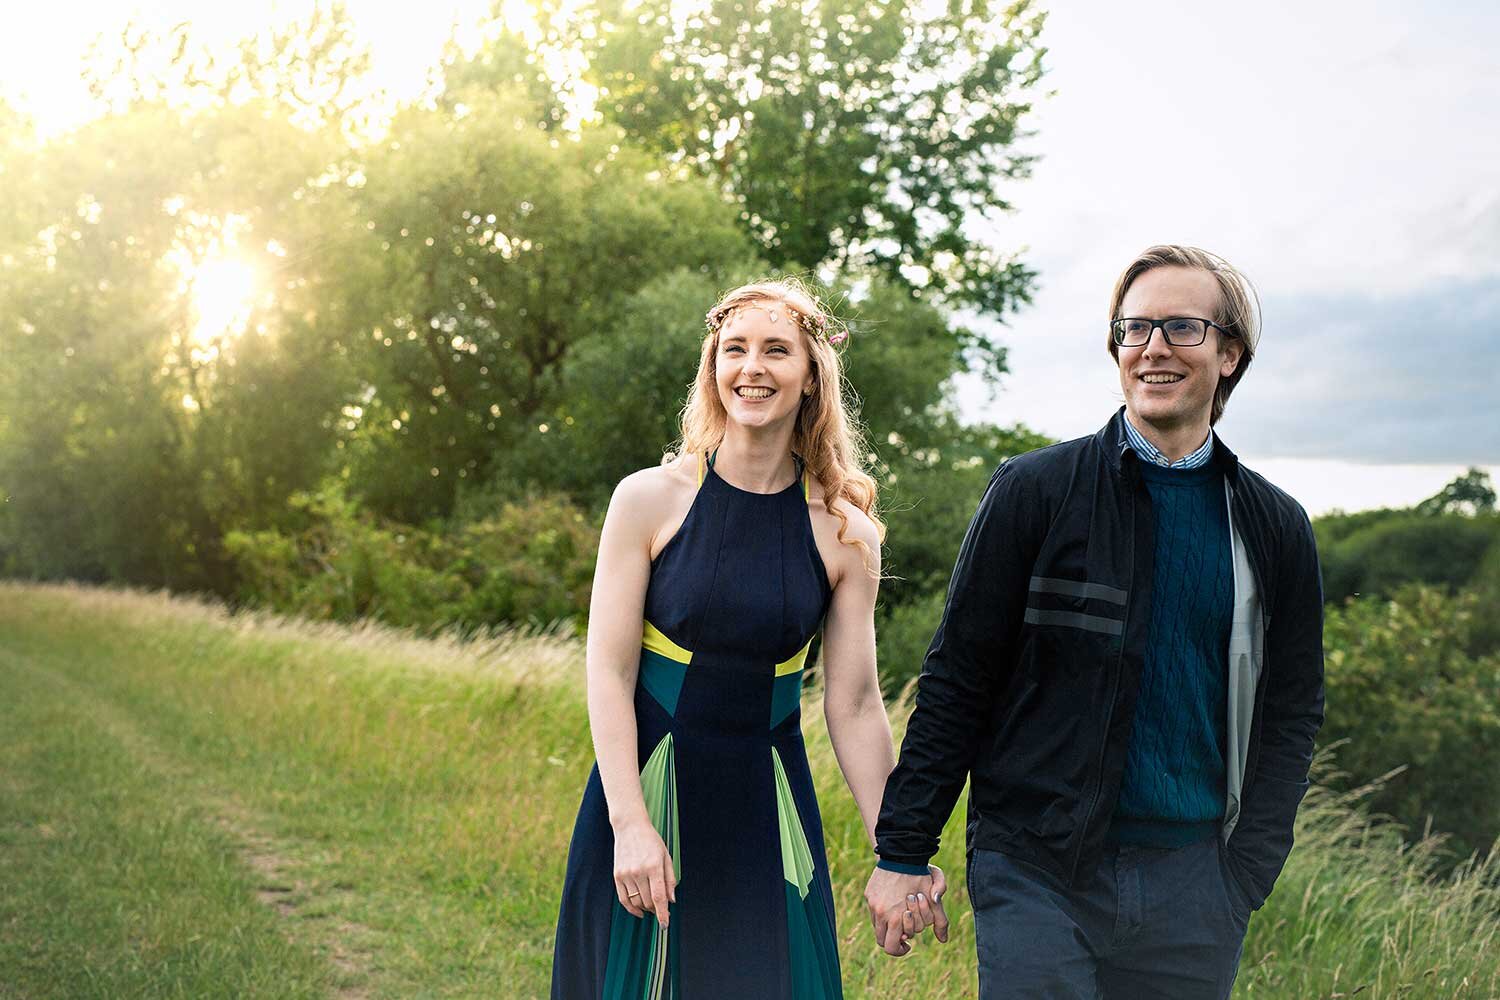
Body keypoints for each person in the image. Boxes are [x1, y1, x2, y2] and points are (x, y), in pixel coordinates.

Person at [865, 245, 1326, 998]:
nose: (1152, 348)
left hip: (1195, 887)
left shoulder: (1274, 528)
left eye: (1181, 327)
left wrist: (1246, 872)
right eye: (1134, 327)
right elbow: (958, 678)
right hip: (1036, 867)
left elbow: (1292, 709)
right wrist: (903, 851)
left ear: (1230, 355)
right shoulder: (1034, 492)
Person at [552, 277, 940, 998]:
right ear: (713, 368)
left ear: (811, 377)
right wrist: (629, 825)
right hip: (648, 794)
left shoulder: (845, 533)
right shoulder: (647, 500)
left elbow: (854, 706)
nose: (751, 368)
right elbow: (608, 672)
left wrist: (901, 851)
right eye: (734, 349)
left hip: (768, 809)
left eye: (775, 351)